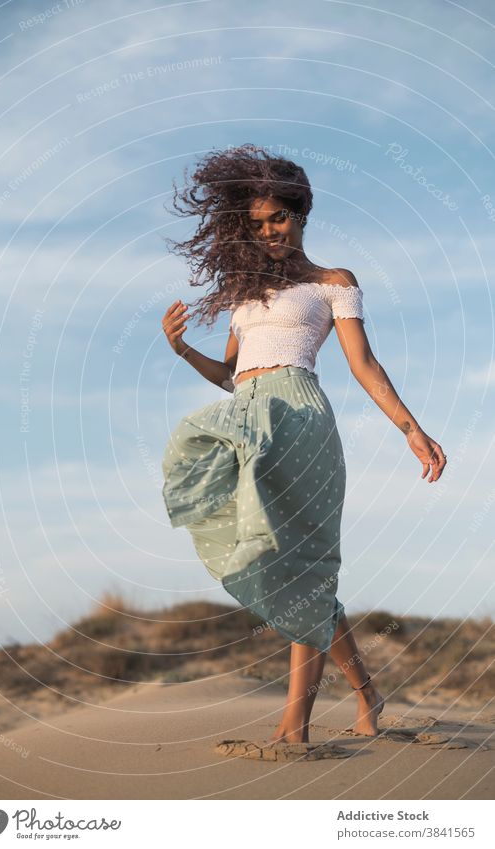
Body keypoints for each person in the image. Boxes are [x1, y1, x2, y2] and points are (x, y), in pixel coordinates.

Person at [161, 143, 447, 745]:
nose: (270, 232)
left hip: (301, 418)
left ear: (302, 213)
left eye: (279, 218)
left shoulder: (332, 283)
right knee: (280, 564)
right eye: (258, 224)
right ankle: (367, 691)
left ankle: (296, 725)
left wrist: (410, 429)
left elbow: (364, 364)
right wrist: (182, 349)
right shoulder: (244, 295)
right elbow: (230, 375)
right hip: (246, 418)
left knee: (305, 566)